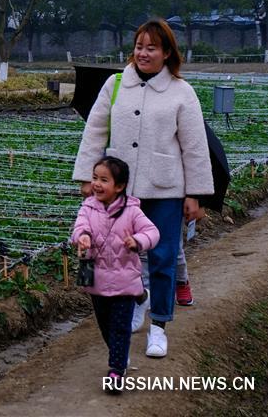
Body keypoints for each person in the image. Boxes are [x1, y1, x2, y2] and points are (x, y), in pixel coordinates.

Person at [73, 19, 214, 359]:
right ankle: (137, 302)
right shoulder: (116, 84)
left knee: (164, 256)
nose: (143, 53)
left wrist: (195, 193)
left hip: (165, 189)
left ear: (167, 53)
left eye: (152, 48)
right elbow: (94, 131)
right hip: (122, 192)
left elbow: (195, 146)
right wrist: (86, 178)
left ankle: (159, 326)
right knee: (122, 254)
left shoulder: (182, 92)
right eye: (139, 46)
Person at [71, 156, 159, 390]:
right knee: (105, 325)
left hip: (124, 280)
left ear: (119, 187)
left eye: (103, 180)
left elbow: (152, 232)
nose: (96, 184)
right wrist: (82, 237)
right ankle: (118, 355)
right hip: (96, 278)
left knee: (120, 326)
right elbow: (79, 227)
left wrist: (138, 241)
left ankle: (116, 371)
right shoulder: (87, 207)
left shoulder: (132, 211)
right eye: (94, 178)